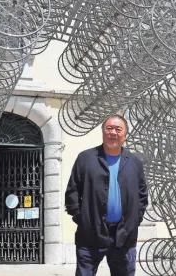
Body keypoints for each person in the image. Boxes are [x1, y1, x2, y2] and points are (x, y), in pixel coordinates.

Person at [65, 114, 148, 276]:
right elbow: (72, 190)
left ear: (125, 134)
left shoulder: (134, 162)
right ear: (103, 131)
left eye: (118, 129)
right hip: (90, 234)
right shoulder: (86, 158)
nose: (113, 133)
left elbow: (142, 195)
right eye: (109, 128)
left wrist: (135, 220)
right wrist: (81, 218)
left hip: (124, 236)